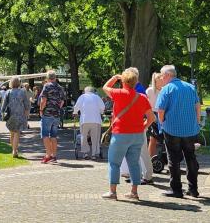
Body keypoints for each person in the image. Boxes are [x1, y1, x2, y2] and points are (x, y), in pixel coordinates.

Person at [101, 68, 155, 201]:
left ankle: (113, 192)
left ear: (123, 81)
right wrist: (143, 127)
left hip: (120, 134)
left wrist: (115, 78)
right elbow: (151, 118)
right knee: (134, 163)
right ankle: (134, 192)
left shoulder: (118, 93)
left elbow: (105, 87)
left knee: (114, 163)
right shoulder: (142, 97)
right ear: (136, 82)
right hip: (137, 135)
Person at [156, 65, 202, 198]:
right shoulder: (190, 87)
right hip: (190, 130)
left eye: (162, 76)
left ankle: (176, 190)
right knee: (191, 158)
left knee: (173, 159)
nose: (161, 78)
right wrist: (197, 122)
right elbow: (197, 106)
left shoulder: (166, 89)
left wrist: (162, 123)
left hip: (172, 129)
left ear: (167, 75)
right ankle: (193, 189)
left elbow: (160, 110)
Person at [39, 71, 66, 164]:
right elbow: (62, 102)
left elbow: (43, 100)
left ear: (47, 78)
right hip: (56, 115)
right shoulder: (60, 87)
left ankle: (48, 155)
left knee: (45, 135)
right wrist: (57, 108)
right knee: (53, 136)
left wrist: (41, 110)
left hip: (47, 114)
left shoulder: (46, 86)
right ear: (55, 77)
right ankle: (54, 156)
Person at [1, 77, 31, 158]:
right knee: (17, 133)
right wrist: (27, 114)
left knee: (12, 133)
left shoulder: (8, 92)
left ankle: (13, 150)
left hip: (11, 115)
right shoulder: (22, 92)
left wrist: (2, 112)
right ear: (19, 83)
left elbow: (4, 104)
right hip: (20, 115)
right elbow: (27, 104)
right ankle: (15, 150)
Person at [73, 86, 105, 160]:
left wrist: (75, 112)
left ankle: (85, 153)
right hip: (96, 120)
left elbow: (76, 107)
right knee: (95, 138)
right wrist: (101, 112)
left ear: (85, 91)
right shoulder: (97, 97)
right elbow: (102, 107)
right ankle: (94, 154)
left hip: (85, 120)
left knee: (84, 137)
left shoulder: (82, 97)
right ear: (93, 91)